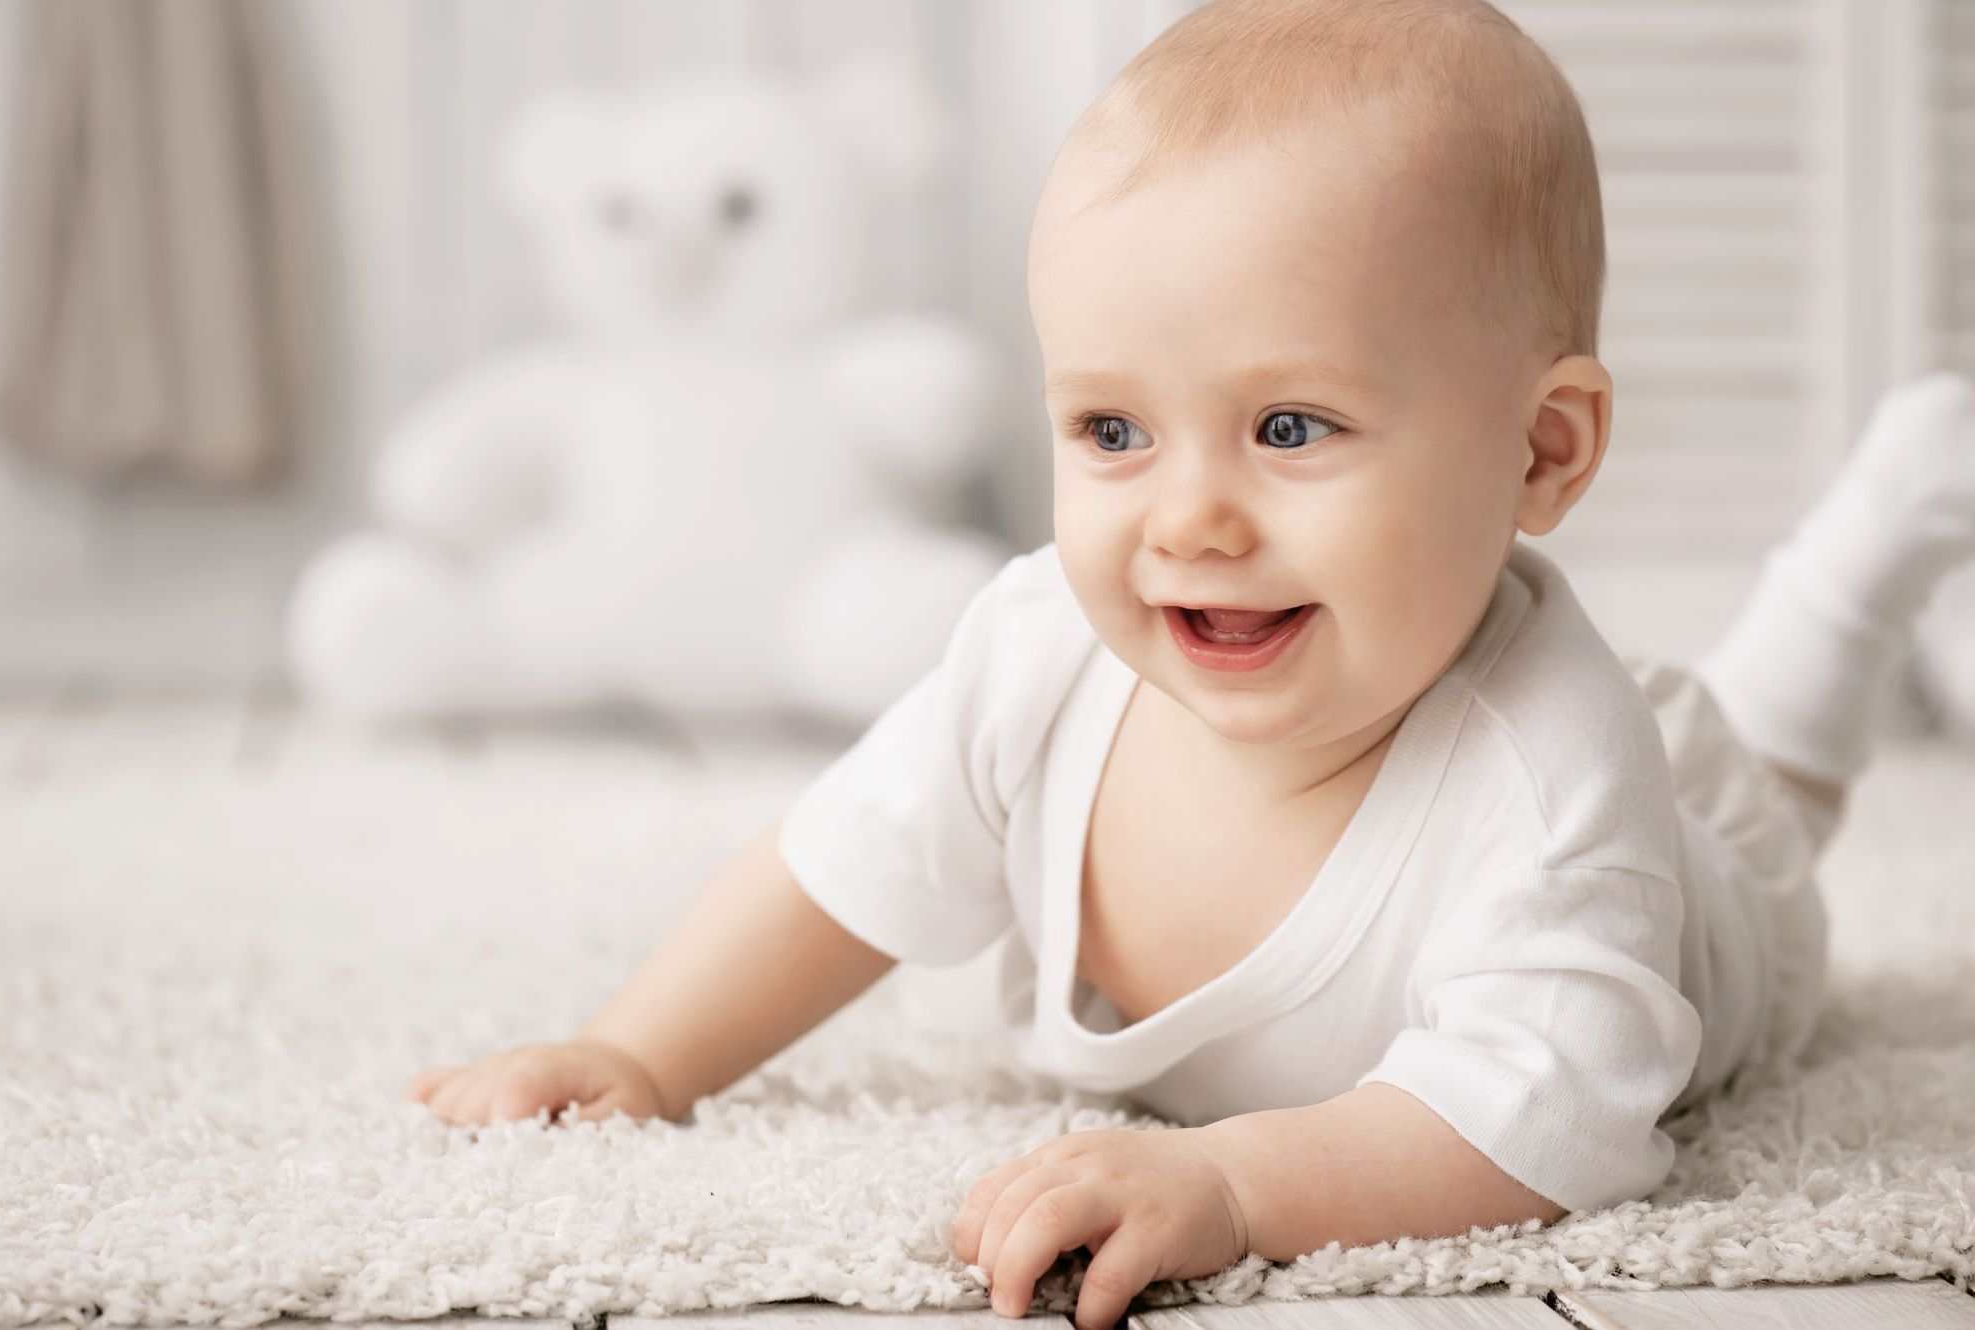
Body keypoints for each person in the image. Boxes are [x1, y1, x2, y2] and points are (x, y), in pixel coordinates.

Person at [406, 3, 1975, 1326]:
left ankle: (1867, 554)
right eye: (1112, 431)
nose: (1190, 519)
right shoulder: (1038, 652)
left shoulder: (1552, 780)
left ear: (1541, 451)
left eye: (1290, 427)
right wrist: (640, 1049)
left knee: (1767, 805)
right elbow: (835, 864)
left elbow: (1536, 1123)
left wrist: (1237, 1181)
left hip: (1693, 910)